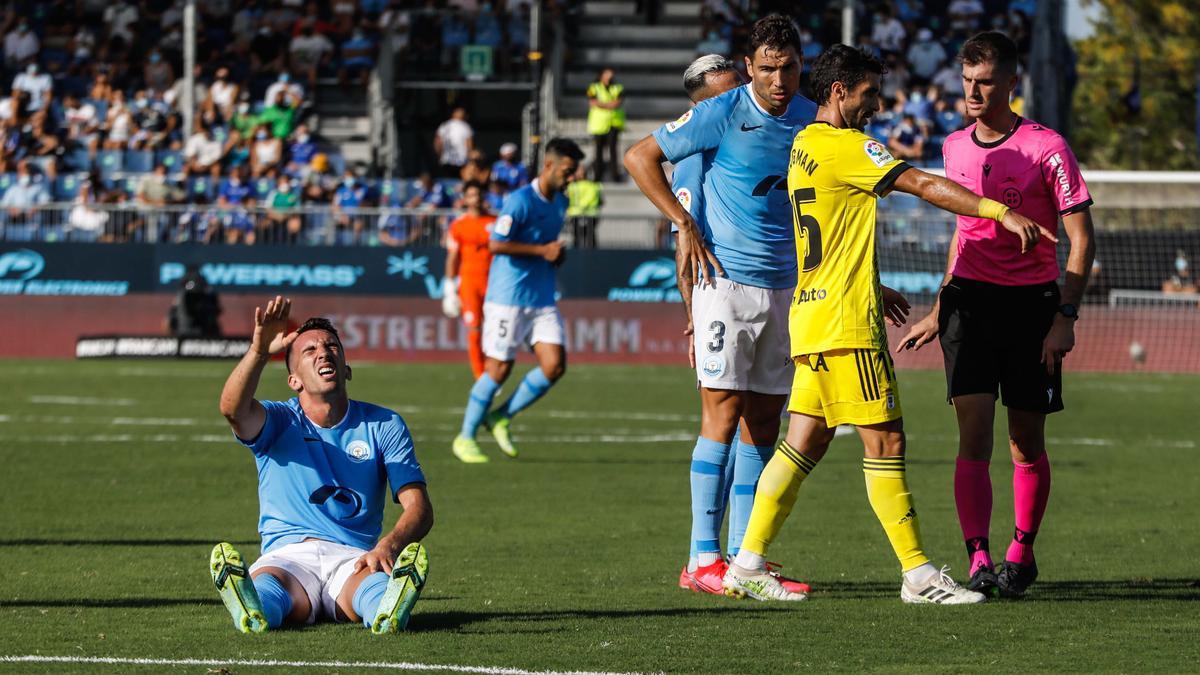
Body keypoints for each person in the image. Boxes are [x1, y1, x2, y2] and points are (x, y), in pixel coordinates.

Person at [722, 44, 1053, 604]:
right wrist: (999, 210)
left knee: (804, 439)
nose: (875, 105)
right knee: (887, 440)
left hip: (813, 314)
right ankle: (919, 575)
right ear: (838, 92)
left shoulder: (805, 143)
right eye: (868, 94)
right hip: (847, 325)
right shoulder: (848, 147)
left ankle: (746, 562)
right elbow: (923, 184)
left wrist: (870, 282)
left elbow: (826, 221)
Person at [898, 31, 1096, 599]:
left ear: (1012, 83)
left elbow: (1080, 240)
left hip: (1033, 308)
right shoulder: (954, 146)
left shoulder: (1047, 147)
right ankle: (978, 557)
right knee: (973, 436)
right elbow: (961, 234)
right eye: (967, 82)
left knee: (1025, 441)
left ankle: (1021, 552)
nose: (973, 92)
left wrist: (1065, 316)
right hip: (968, 305)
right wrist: (941, 304)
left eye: (985, 82)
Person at [624, 16, 817, 596]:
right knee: (722, 414)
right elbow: (638, 156)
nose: (778, 80)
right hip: (726, 282)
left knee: (764, 423)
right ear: (750, 65)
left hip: (786, 287)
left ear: (800, 64)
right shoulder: (722, 111)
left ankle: (742, 558)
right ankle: (701, 558)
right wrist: (682, 223)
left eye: (787, 67)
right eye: (766, 68)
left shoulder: (814, 118)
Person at [211, 297, 432, 634]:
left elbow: (419, 508)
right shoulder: (279, 420)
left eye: (331, 347)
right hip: (288, 554)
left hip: (354, 555)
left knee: (370, 588)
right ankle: (253, 611)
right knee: (273, 586)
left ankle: (388, 608)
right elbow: (233, 409)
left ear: (346, 367)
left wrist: (388, 546)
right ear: (294, 380)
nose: (323, 352)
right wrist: (258, 353)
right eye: (309, 351)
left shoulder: (384, 424)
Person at [450, 138, 583, 463]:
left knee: (555, 366)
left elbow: (546, 244)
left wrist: (554, 256)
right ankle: (465, 437)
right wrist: (542, 251)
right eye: (567, 171)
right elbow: (496, 245)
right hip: (507, 297)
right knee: (499, 369)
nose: (571, 178)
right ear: (549, 166)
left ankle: (500, 417)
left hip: (541, 297)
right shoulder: (520, 201)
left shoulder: (560, 202)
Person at [442, 181, 496, 379]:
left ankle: (493, 370)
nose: (477, 199)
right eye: (472, 195)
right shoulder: (458, 225)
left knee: (495, 330)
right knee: (474, 329)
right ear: (465, 199)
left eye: (480, 194)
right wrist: (449, 288)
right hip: (470, 283)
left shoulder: (496, 222)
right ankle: (480, 375)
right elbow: (453, 257)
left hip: (495, 283)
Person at [586, 68, 624, 182]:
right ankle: (597, 175)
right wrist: (609, 105)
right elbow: (592, 102)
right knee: (598, 151)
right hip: (599, 124)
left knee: (613, 150)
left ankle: (615, 176)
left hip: (613, 123)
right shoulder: (593, 87)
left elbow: (617, 103)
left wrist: (601, 104)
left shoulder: (618, 87)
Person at [565, 164, 602, 248]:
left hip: (577, 215)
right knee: (590, 240)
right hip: (590, 215)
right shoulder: (595, 186)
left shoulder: (572, 186)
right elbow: (600, 201)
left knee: (578, 240)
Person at [434, 107, 473, 179]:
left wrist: (439, 156)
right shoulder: (445, 126)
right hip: (452, 161)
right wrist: (439, 156)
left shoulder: (465, 126)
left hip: (459, 161)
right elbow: (438, 142)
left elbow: (469, 145)